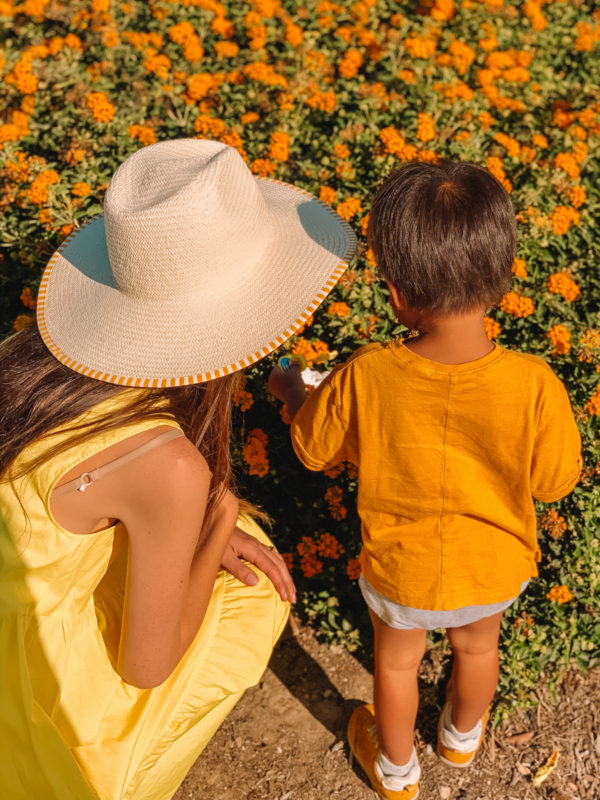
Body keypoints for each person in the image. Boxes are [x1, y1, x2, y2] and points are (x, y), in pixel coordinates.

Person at [0, 138, 356, 800]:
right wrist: (217, 515)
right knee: (251, 602)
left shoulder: (26, 365)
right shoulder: (170, 465)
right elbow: (146, 668)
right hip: (26, 694)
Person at [269, 161, 582, 800]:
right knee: (476, 652)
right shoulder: (535, 385)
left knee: (395, 662)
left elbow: (311, 448)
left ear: (395, 291)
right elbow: (555, 482)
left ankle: (396, 772)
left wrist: (292, 390)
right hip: (491, 568)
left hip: (401, 569)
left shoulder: (366, 374)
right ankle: (462, 741)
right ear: (500, 276)